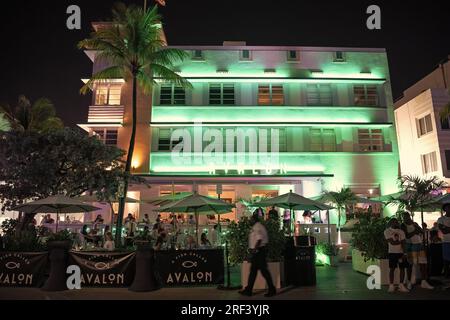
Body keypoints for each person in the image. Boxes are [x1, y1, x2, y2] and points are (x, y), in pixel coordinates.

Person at [239, 214, 276, 297]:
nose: (249, 221)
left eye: (251, 219)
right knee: (254, 271)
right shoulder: (257, 226)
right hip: (259, 251)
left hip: (259, 252)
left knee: (263, 271)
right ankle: (249, 289)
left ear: (254, 219)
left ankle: (271, 289)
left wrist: (254, 250)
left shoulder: (257, 227)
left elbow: (259, 239)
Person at [400, 211, 434, 290]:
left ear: (410, 216)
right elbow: (407, 236)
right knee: (410, 264)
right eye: (404, 217)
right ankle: (409, 281)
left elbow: (421, 231)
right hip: (410, 246)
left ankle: (424, 281)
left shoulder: (415, 223)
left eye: (407, 216)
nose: (406, 218)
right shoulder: (403, 225)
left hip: (419, 244)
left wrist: (416, 229)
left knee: (423, 263)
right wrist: (415, 231)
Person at [384, 217, 409, 293]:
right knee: (392, 269)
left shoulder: (401, 231)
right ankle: (391, 285)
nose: (395, 223)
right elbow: (392, 242)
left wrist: (405, 253)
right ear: (390, 223)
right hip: (392, 253)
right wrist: (401, 242)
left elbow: (404, 243)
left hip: (401, 253)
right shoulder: (387, 231)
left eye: (396, 222)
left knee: (402, 268)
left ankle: (401, 285)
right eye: (393, 222)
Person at [438, 204, 450, 278]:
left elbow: (445, 230)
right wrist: (445, 229)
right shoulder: (441, 219)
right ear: (445, 209)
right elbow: (444, 231)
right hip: (446, 241)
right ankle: (446, 275)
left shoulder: (441, 220)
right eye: (448, 208)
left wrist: (446, 228)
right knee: (446, 259)